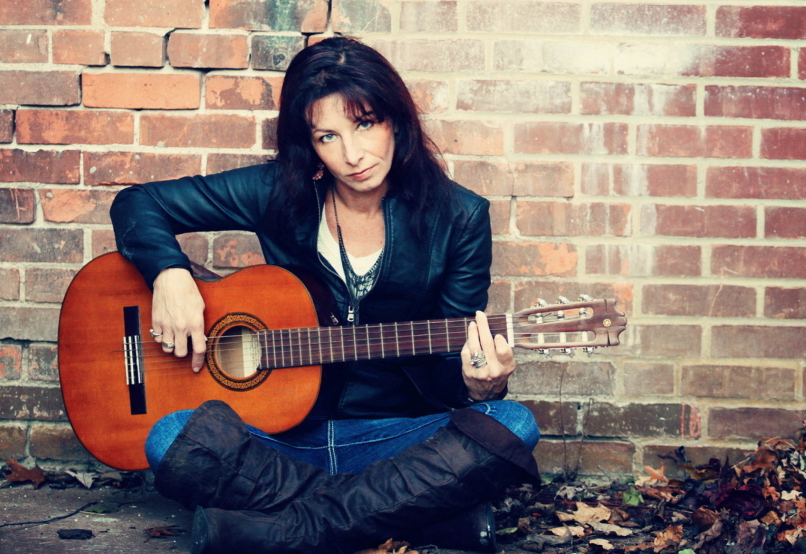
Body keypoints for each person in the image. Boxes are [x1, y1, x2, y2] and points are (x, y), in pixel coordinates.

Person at [109, 36, 540, 554]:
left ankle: (284, 530)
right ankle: (410, 518)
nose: (352, 155)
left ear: (396, 120)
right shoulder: (278, 192)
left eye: (364, 124)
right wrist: (169, 275)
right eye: (327, 136)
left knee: (510, 423)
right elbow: (138, 204)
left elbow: (446, 373)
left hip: (393, 441)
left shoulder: (459, 217)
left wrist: (479, 387)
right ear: (308, 145)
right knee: (168, 435)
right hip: (280, 443)